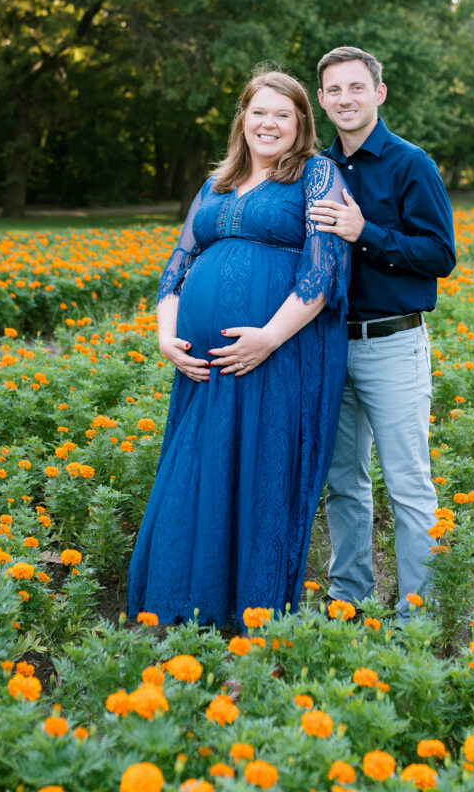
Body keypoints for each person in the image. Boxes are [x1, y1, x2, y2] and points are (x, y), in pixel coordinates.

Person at [127, 69, 350, 629]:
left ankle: (252, 620)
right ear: (242, 120)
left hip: (280, 358)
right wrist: (166, 336)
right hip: (202, 368)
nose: (269, 123)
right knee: (197, 473)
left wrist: (267, 338)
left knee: (261, 477)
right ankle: (181, 609)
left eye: (283, 113)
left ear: (301, 122)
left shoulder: (316, 176)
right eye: (259, 112)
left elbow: (322, 272)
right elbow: (174, 271)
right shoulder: (216, 184)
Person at [309, 46, 456, 622]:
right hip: (327, 344)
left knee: (408, 485)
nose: (346, 99)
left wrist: (363, 230)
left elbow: (439, 255)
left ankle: (418, 613)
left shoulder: (409, 163)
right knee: (343, 482)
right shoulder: (317, 167)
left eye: (356, 88)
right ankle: (350, 597)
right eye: (334, 91)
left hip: (393, 344)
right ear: (322, 100)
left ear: (379, 93)